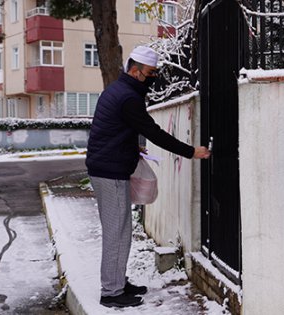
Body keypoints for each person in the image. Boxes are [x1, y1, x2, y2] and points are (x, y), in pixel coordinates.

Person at [86, 46, 211, 308]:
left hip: (107, 167)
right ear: (135, 70)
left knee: (122, 231)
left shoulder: (117, 90)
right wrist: (190, 151)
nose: (153, 78)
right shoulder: (128, 97)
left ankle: (117, 281)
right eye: (150, 73)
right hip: (110, 173)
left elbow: (112, 130)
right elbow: (153, 131)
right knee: (116, 233)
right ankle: (111, 292)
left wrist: (131, 146)